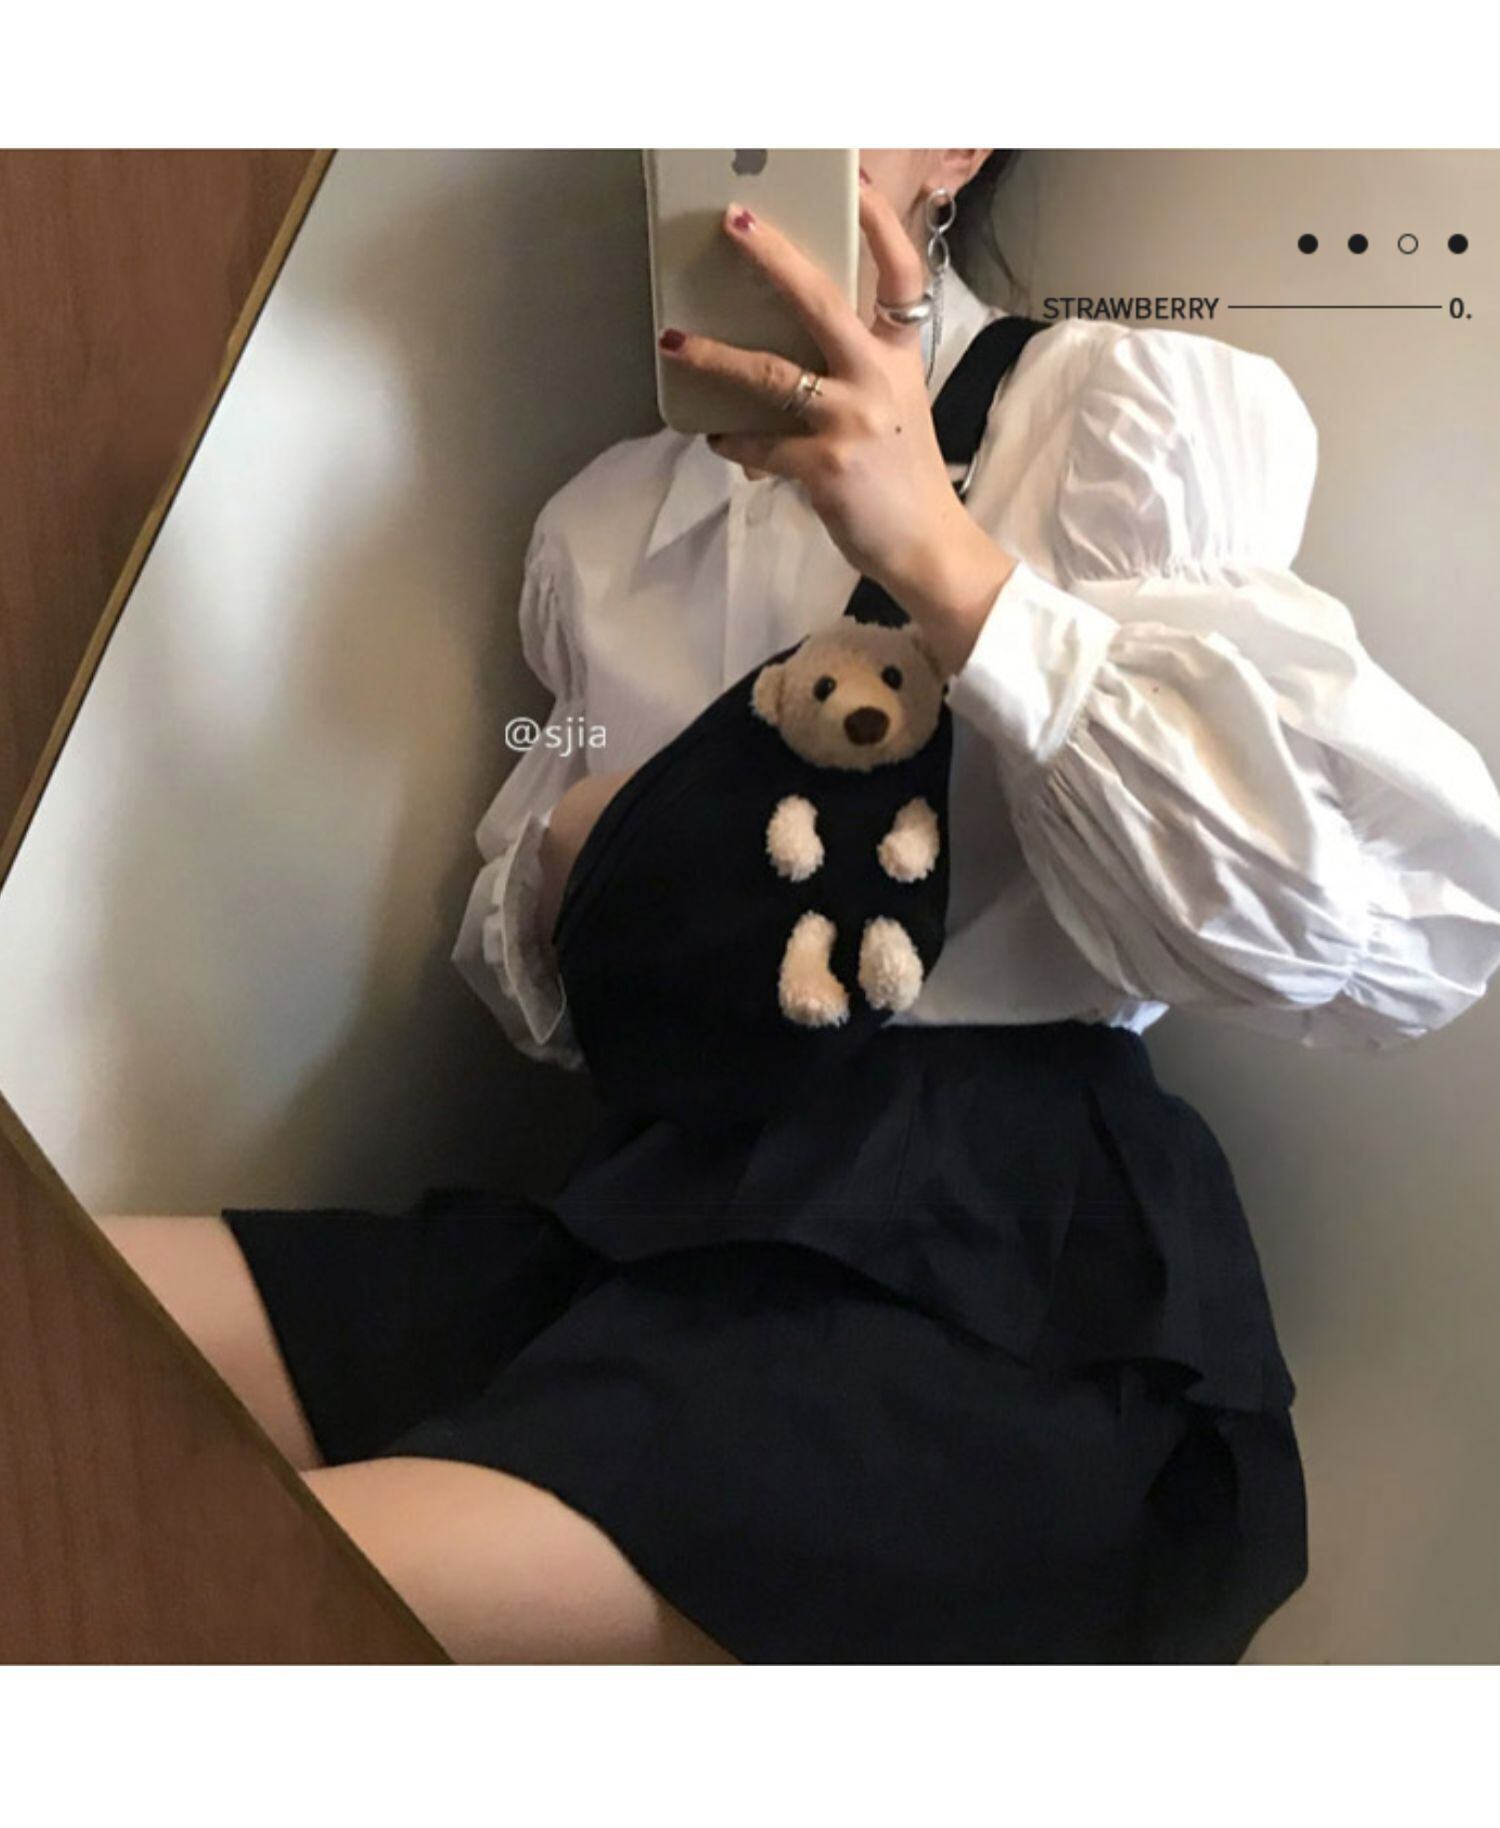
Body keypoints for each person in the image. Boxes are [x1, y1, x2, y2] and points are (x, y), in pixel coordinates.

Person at [104, 150, 1500, 1664]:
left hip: (987, 1259)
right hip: (648, 1205)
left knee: (195, 1590)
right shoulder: (603, 527)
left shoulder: (1114, 414)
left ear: (958, 136)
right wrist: (577, 846)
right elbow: (539, 958)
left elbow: (1387, 939)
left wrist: (946, 564)